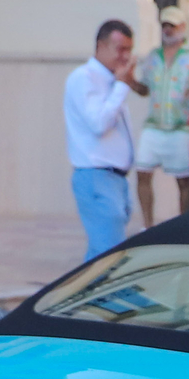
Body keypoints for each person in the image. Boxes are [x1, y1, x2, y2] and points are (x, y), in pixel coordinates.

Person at [64, 19, 145, 259]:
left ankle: (87, 295)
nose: (125, 57)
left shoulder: (111, 80)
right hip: (96, 176)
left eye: (129, 50)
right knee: (109, 258)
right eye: (120, 49)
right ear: (101, 46)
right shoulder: (84, 78)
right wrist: (121, 86)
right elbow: (99, 123)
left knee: (100, 255)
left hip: (114, 179)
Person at [134, 6, 189, 228]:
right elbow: (144, 88)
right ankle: (147, 225)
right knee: (142, 172)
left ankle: (185, 225)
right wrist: (128, 80)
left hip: (182, 127)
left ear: (183, 27)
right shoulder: (153, 57)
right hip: (155, 125)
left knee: (184, 181)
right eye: (165, 25)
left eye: (172, 26)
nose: (168, 30)